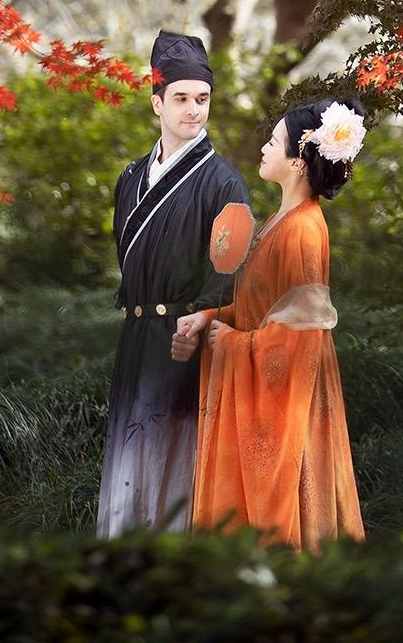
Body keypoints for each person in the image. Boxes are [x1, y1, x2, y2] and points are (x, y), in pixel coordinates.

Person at [184, 95, 366, 552]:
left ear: (300, 160)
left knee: (297, 519)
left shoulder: (303, 230)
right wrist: (210, 316)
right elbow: (260, 306)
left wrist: (233, 342)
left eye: (273, 141)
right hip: (265, 376)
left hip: (296, 399)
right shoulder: (280, 220)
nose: (264, 149)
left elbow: (299, 336)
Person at [96, 29, 250, 536]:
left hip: (187, 342)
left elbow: (229, 273)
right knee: (128, 464)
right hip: (137, 338)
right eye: (181, 98)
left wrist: (200, 317)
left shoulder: (223, 182)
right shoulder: (130, 177)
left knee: (176, 468)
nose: (193, 110)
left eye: (202, 99)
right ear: (156, 102)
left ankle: (170, 577)